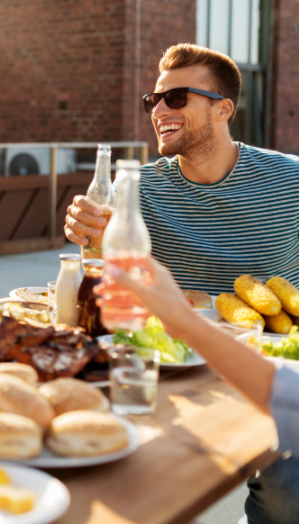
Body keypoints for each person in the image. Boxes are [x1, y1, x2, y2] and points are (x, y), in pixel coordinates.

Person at [64, 43, 299, 524]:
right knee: (130, 483)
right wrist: (89, 235)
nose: (159, 111)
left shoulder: (290, 178)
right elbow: (109, 270)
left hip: (269, 368)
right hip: (176, 367)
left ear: (222, 109)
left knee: (285, 500)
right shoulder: (139, 187)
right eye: (153, 100)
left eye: (176, 99)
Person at [109, 259, 299, 524]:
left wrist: (183, 323)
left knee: (288, 496)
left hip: (273, 353)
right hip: (177, 361)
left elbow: (290, 402)